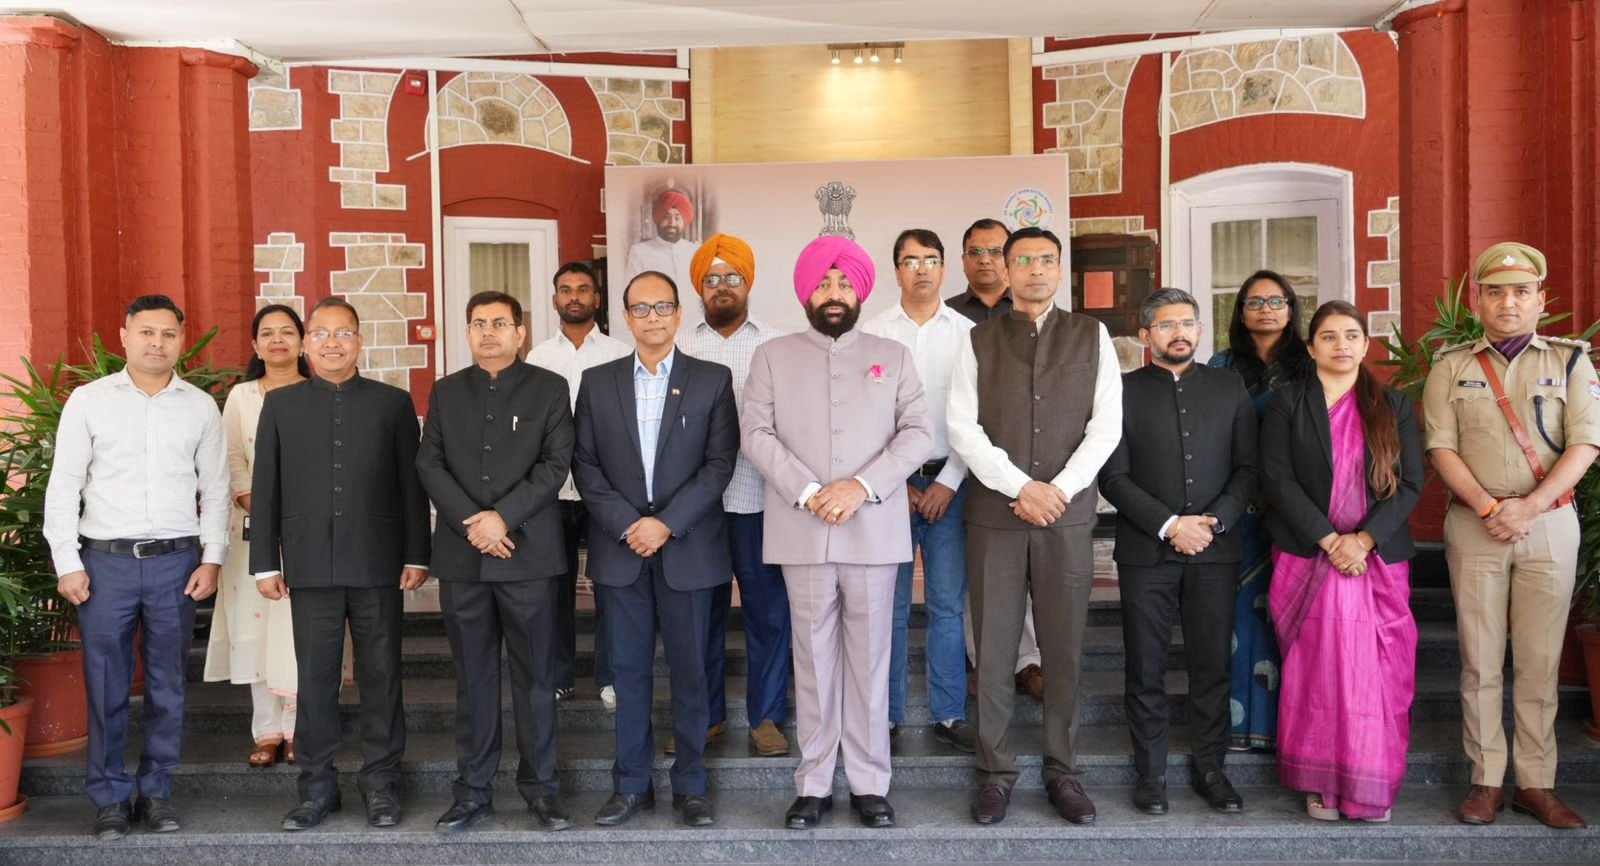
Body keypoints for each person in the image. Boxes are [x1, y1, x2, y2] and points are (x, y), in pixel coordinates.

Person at [742, 235, 932, 831]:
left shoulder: (892, 355)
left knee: (871, 662)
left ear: (860, 292)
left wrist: (861, 486)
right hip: (801, 529)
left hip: (872, 529)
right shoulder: (772, 356)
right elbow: (756, 434)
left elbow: (918, 433)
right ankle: (815, 783)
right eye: (823, 283)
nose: (833, 293)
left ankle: (871, 783)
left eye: (844, 283)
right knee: (813, 660)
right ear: (805, 292)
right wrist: (807, 490)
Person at [1422, 242, 1600, 830]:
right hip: (1476, 525)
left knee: (1539, 660)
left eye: (1521, 292)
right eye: (1495, 292)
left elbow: (1586, 444)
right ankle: (1486, 780)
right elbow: (1440, 446)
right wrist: (1490, 506)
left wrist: (1531, 507)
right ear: (1478, 302)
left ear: (1540, 300)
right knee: (1480, 660)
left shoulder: (1571, 362)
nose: (1508, 303)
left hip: (1550, 523)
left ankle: (1536, 784)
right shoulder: (1452, 365)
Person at [948, 226, 1122, 827]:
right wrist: (1020, 487)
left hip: (1065, 517)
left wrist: (1058, 491)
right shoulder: (978, 339)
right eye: (1023, 260)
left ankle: (1062, 769)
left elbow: (1106, 426)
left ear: (1059, 268)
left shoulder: (1091, 335)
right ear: (1006, 269)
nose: (1036, 270)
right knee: (995, 651)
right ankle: (994, 772)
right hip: (995, 516)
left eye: (1047, 260)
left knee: (1063, 648)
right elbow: (962, 427)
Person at [44, 294, 230, 840]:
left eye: (168, 334)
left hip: (177, 562)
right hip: (105, 565)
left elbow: (216, 491)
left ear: (181, 340)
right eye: (146, 332)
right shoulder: (89, 401)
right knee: (106, 684)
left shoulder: (200, 407)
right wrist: (67, 561)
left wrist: (213, 558)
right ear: (124, 336)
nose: (157, 343)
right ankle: (108, 797)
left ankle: (156, 792)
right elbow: (64, 486)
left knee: (168, 684)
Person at [251, 297, 431, 832]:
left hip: (378, 562)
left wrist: (417, 553)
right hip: (309, 565)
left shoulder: (393, 404)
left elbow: (411, 486)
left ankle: (381, 784)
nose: (332, 343)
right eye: (322, 334)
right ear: (307, 343)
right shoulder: (280, 405)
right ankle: (316, 788)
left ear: (359, 341)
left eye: (344, 333)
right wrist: (265, 562)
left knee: (382, 678)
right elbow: (266, 489)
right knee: (315, 680)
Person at [571, 271, 739, 829]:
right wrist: (630, 525)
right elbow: (585, 466)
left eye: (662, 306)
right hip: (622, 551)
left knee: (692, 673)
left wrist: (665, 524)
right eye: (640, 308)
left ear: (678, 313)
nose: (652, 317)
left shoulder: (712, 380)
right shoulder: (597, 382)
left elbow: (719, 464)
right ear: (625, 317)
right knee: (628, 673)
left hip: (688, 548)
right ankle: (631, 784)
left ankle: (691, 784)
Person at [417, 291, 576, 832]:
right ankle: (473, 791)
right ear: (467, 332)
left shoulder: (550, 389)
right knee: (473, 679)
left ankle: (542, 790)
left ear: (520, 332)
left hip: (528, 558)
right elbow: (430, 463)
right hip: (464, 559)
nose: (489, 332)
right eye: (479, 323)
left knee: (537, 679)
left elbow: (554, 466)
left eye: (500, 323)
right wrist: (475, 523)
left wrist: (502, 519)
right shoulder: (446, 391)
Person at [1099, 288, 1257, 815]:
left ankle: (1212, 768)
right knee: (1145, 666)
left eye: (1187, 323)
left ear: (1200, 330)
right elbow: (1113, 477)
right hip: (1146, 552)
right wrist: (1170, 526)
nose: (1179, 333)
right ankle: (1151, 773)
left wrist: (1214, 521)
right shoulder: (1121, 391)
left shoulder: (1229, 386)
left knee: (1211, 665)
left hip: (1215, 548)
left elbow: (1248, 468)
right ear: (1146, 335)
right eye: (1166, 325)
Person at [1263, 300, 1422, 823]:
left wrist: (1364, 540)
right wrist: (1331, 540)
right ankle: (1322, 783)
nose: (1341, 345)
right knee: (1319, 673)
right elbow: (1277, 478)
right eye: (1329, 336)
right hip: (1310, 554)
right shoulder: (1288, 402)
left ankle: (1370, 785)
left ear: (1365, 344)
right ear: (1311, 348)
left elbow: (1411, 483)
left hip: (1377, 561)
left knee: (1381, 672)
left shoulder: (1393, 405)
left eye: (1351, 335)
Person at [862, 228, 977, 751]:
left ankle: (948, 713)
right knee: (888, 608)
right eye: (911, 260)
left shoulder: (969, 335)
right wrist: (900, 481)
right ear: (896, 270)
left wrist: (948, 481)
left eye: (931, 259)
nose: (922, 269)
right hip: (890, 490)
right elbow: (863, 417)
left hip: (952, 485)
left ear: (944, 267)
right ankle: (884, 716)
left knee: (948, 605)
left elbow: (978, 418)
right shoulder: (873, 333)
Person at [679, 233, 792, 758]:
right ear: (699, 286)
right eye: (712, 278)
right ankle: (704, 718)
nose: (722, 286)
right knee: (699, 617)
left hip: (760, 500)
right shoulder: (680, 346)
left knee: (768, 613)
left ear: (748, 283)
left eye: (732, 277)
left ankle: (767, 717)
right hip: (696, 507)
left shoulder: (777, 345)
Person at [1206, 269, 1313, 752]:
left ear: (1291, 309)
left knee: (1289, 613)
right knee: (1238, 616)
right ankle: (1239, 727)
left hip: (1296, 508)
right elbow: (1208, 435)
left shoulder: (1309, 364)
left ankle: (1288, 729)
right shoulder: (1221, 365)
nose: (1266, 310)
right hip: (1237, 506)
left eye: (1276, 301)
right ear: (1241, 312)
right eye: (1255, 302)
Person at [203, 304, 310, 769]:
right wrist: (265, 513)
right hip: (252, 529)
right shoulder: (242, 396)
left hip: (311, 532)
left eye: (288, 332)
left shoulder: (318, 393)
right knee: (256, 626)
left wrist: (298, 518)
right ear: (255, 345)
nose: (278, 340)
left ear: (303, 343)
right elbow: (231, 460)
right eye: (267, 333)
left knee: (301, 628)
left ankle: (300, 729)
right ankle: (267, 730)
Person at [946, 218, 1044, 703]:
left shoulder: (1031, 311)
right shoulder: (946, 316)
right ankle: (979, 660)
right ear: (963, 260)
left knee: (1023, 566)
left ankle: (1028, 660)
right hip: (960, 460)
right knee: (973, 569)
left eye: (994, 251)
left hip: (1019, 465)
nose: (985, 260)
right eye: (975, 251)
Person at [527, 262, 631, 708]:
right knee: (554, 587)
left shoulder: (620, 353)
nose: (574, 296)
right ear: (555, 299)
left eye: (583, 289)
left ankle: (611, 676)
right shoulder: (536, 358)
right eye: (566, 289)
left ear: (596, 299)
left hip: (606, 488)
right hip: (551, 492)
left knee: (612, 584)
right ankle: (558, 676)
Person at [625, 188, 698, 302]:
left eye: (677, 218)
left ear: (684, 222)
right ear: (658, 220)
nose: (672, 223)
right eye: (666, 217)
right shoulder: (640, 252)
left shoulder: (695, 251)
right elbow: (633, 294)